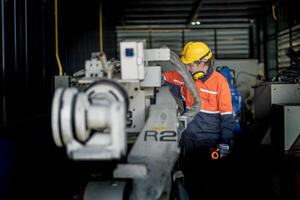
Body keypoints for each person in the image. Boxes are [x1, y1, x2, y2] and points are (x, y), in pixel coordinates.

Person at [179, 41, 234, 199]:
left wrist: (224, 142)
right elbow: (171, 77)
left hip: (210, 143)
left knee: (210, 181)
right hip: (189, 140)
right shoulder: (189, 78)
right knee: (189, 179)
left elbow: (227, 116)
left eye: (190, 65)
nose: (187, 68)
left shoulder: (220, 82)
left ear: (202, 63)